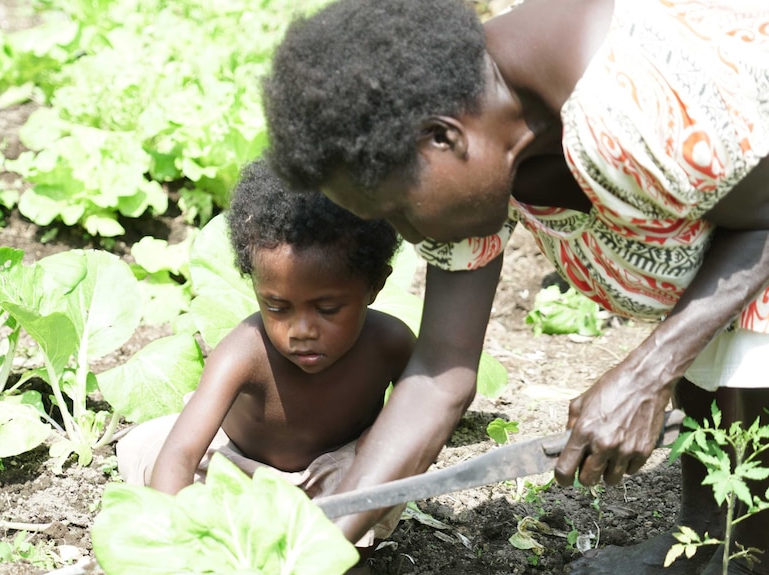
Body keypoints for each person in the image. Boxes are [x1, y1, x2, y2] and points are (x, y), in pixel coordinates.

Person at [261, 0, 769, 573]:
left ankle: (744, 552)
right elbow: (440, 373)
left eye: (399, 211)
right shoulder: (479, 129)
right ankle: (709, 541)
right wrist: (319, 542)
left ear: (443, 138)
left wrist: (647, 374)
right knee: (711, 344)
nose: (408, 234)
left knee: (739, 355)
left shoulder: (626, 100)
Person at [115, 159, 416, 568]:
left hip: (335, 480)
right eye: (277, 307)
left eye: (327, 309)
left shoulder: (391, 343)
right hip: (238, 471)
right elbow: (182, 454)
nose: (301, 330)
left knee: (381, 472)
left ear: (375, 285)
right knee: (157, 466)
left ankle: (348, 552)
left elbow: (419, 421)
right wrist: (179, 539)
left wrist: (379, 458)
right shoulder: (245, 351)